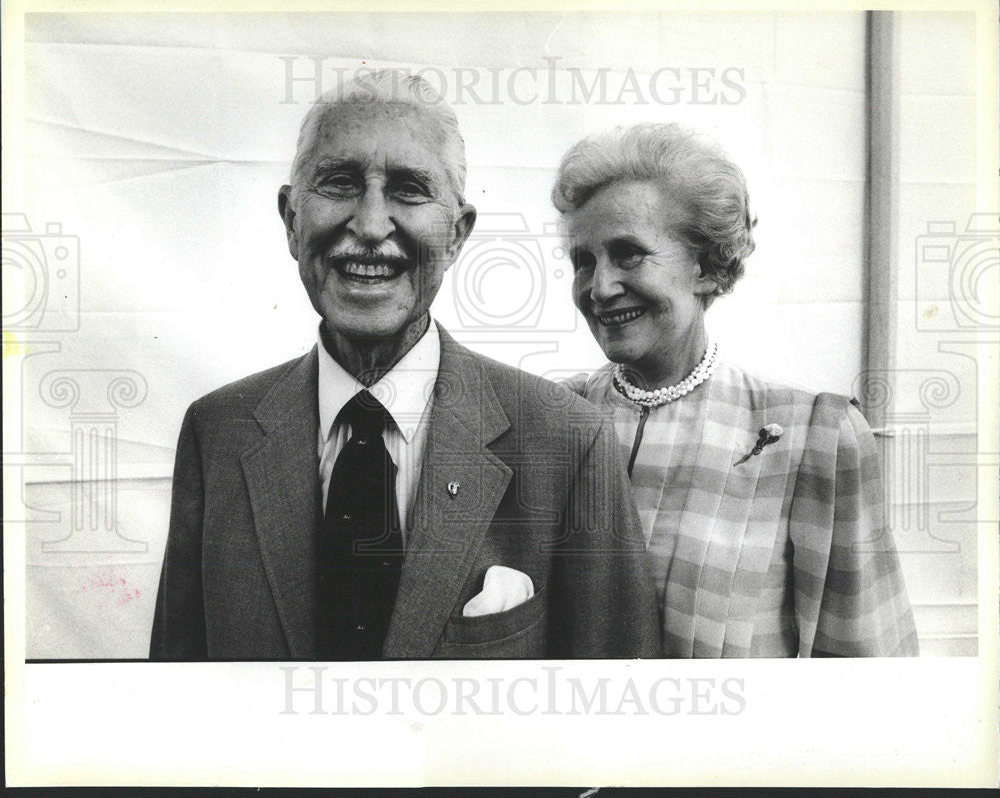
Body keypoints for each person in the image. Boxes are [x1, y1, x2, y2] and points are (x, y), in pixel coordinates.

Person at [149, 71, 659, 661]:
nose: (369, 225)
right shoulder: (217, 432)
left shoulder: (568, 441)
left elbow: (618, 716)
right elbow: (175, 695)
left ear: (457, 234)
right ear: (291, 220)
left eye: (409, 190)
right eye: (339, 183)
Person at [553, 122, 919, 657]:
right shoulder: (550, 418)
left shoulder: (811, 436)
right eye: (583, 260)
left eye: (628, 253)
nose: (599, 287)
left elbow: (865, 667)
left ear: (705, 267)